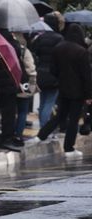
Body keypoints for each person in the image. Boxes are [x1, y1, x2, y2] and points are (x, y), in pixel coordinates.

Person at [30, 24, 92, 159]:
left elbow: (53, 69)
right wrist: (89, 95)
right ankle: (69, 148)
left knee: (60, 115)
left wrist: (61, 79)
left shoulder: (58, 48)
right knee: (73, 120)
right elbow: (86, 75)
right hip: (78, 91)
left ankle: (41, 135)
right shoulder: (81, 51)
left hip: (63, 88)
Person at [30, 12, 64, 128]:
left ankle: (42, 127)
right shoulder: (59, 38)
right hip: (53, 75)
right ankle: (44, 129)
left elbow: (35, 53)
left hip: (41, 73)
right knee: (49, 103)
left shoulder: (40, 38)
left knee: (43, 102)